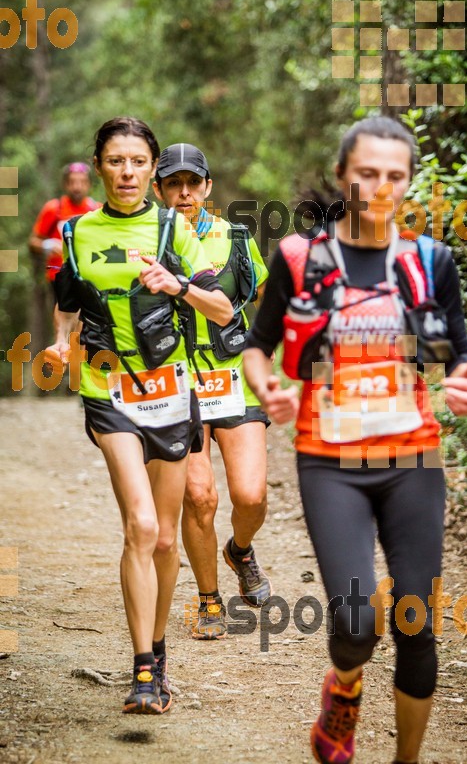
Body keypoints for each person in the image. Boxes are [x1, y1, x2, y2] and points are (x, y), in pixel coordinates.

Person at [243, 116, 467, 764]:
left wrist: (465, 385)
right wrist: (267, 389)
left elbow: (461, 356)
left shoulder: (429, 260)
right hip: (331, 462)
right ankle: (343, 687)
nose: (379, 187)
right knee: (354, 624)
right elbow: (256, 348)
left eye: (394, 176)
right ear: (344, 175)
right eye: (366, 174)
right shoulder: (299, 259)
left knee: (416, 621)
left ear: (409, 182)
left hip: (411, 459)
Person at [45, 118, 233, 714]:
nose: (127, 172)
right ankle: (143, 672)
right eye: (115, 160)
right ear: (98, 165)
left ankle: (159, 652)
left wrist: (177, 285)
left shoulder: (176, 228)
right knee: (143, 527)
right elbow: (68, 300)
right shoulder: (77, 232)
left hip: (174, 393)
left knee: (167, 538)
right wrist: (58, 341)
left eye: (138, 162)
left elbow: (223, 309)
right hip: (110, 391)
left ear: (152, 171)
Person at [153, 143, 271, 640]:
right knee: (199, 495)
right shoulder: (145, 239)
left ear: (207, 187)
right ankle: (208, 600)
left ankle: (239, 550)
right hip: (178, 381)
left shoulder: (236, 237)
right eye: (172, 184)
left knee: (251, 496)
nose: (183, 193)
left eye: (192, 183)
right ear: (158, 190)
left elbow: (253, 297)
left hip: (232, 377)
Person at [28, 163, 101, 357]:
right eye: (72, 182)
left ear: (89, 185)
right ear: (65, 184)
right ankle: (61, 350)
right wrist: (48, 245)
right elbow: (33, 240)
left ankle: (78, 358)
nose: (77, 187)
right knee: (65, 314)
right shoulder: (54, 209)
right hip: (58, 274)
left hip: (89, 274)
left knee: (85, 321)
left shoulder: (96, 209)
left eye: (82, 182)